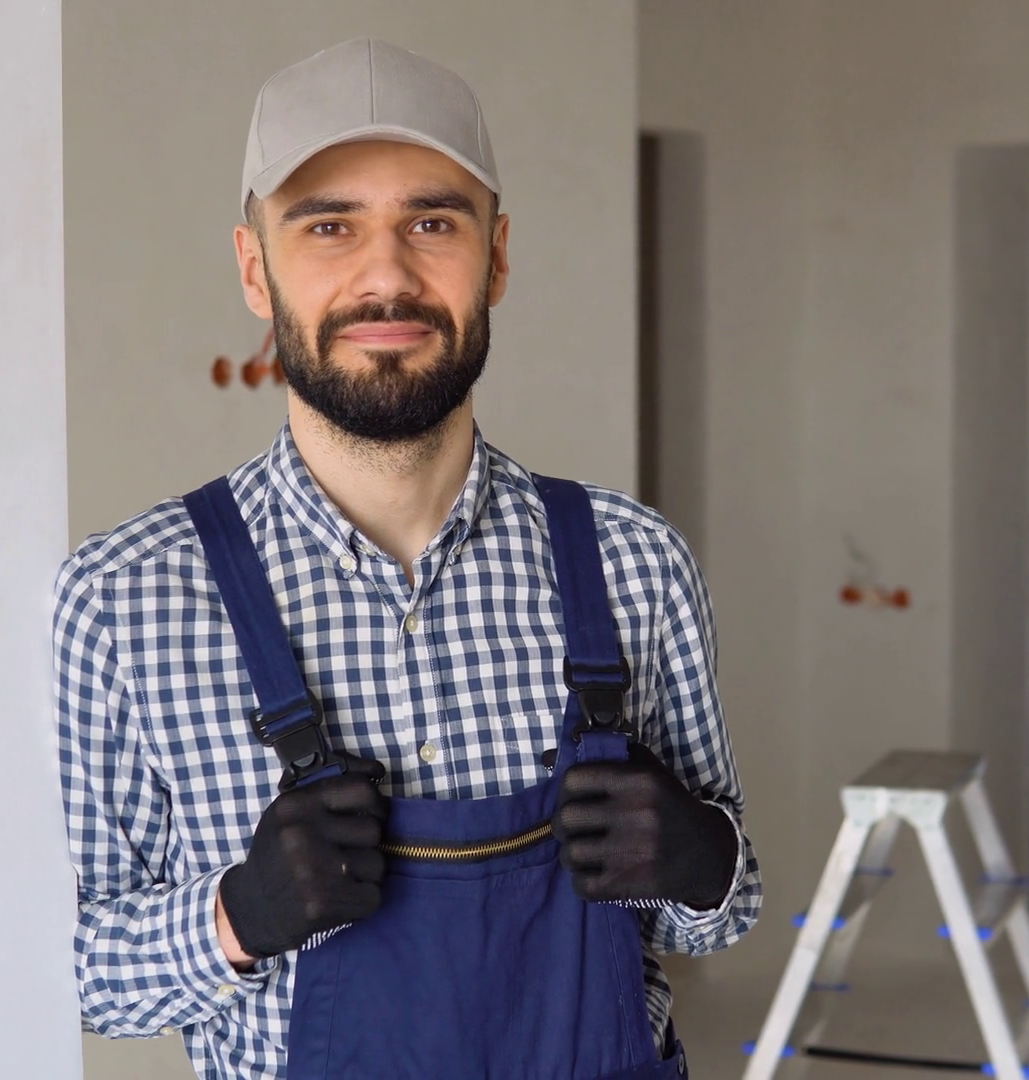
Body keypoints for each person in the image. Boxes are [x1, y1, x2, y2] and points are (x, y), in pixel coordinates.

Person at [53, 38, 761, 1080]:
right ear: (254, 268)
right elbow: (81, 976)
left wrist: (703, 860)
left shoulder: (634, 562)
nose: (386, 276)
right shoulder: (124, 599)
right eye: (328, 226)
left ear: (497, 257)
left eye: (432, 223)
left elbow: (722, 914)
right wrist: (234, 918)